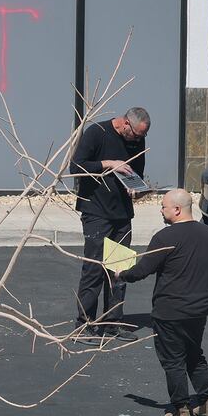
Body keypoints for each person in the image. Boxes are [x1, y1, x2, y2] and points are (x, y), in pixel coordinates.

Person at [114, 189, 208, 416]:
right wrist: (203, 293)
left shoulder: (165, 237)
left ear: (176, 209)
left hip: (170, 310)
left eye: (163, 206)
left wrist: (120, 273)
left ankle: (181, 409)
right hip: (199, 309)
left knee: (173, 359)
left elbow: (142, 270)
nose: (160, 211)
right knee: (194, 354)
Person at [71, 107, 150, 343]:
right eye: (135, 135)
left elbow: (137, 173)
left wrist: (137, 189)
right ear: (125, 124)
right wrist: (108, 163)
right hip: (96, 212)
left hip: (122, 214)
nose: (138, 140)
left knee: (119, 270)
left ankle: (112, 323)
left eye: (141, 136)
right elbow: (76, 167)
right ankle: (84, 324)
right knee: (94, 269)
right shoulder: (97, 133)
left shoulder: (137, 141)